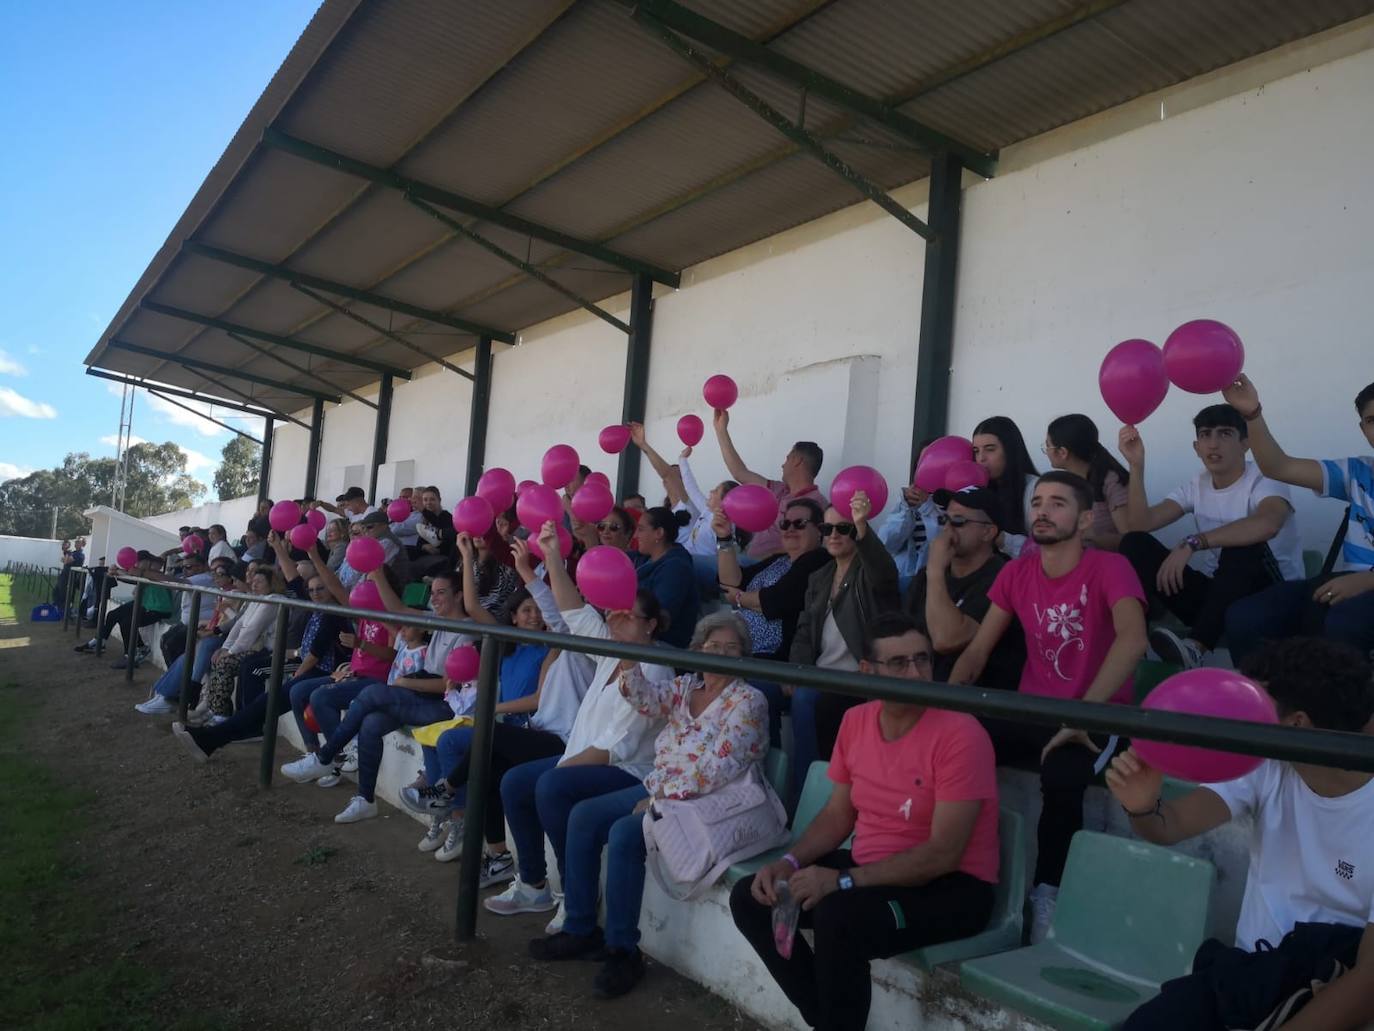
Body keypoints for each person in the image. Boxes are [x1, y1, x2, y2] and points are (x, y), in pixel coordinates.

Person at [731, 613, 1000, 1031]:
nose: (915, 673)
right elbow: (839, 814)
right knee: (751, 897)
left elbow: (944, 854)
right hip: (871, 870)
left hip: (953, 889)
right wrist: (791, 863)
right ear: (867, 671)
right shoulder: (856, 722)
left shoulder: (961, 734)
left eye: (922, 660)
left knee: (839, 918)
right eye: (898, 663)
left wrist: (842, 880)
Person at [1108, 638, 1374, 1030]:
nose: (1236, 712)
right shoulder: (1268, 765)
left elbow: (1367, 982)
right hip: (1250, 976)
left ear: (1297, 724)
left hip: (1332, 990)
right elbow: (1171, 825)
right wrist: (1143, 805)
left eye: (1252, 702)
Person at [527, 611, 769, 1000]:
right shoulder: (686, 686)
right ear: (698, 650)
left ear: (743, 656)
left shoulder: (748, 701)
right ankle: (581, 928)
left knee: (626, 832)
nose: (720, 654)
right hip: (662, 791)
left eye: (730, 648)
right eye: (712, 647)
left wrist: (656, 800)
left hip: (710, 801)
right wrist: (629, 651)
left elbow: (717, 771)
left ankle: (623, 952)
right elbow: (643, 698)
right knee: (584, 816)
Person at [950, 470, 1146, 942]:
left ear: (1082, 521)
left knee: (1063, 775)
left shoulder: (1109, 568)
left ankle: (1048, 894)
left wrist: (1084, 714)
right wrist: (947, 709)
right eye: (1037, 501)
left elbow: (1134, 639)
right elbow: (977, 651)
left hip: (1101, 713)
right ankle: (949, 864)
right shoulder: (1017, 571)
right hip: (1031, 711)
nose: (1042, 510)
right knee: (954, 746)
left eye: (1057, 503)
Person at [486, 522, 675, 921]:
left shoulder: (656, 668)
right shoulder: (609, 650)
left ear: (651, 624)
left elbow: (617, 748)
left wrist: (563, 766)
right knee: (515, 782)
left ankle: (572, 891)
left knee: (550, 786)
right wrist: (551, 555)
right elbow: (572, 610)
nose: (617, 620)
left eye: (629, 616)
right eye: (615, 613)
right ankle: (533, 885)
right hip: (584, 758)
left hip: (628, 771)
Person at [402, 536, 594, 871]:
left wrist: (541, 567)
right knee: (485, 771)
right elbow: (483, 610)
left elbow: (562, 617)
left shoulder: (576, 649)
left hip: (557, 739)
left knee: (484, 737)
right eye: (527, 610)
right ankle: (498, 856)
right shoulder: (546, 649)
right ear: (515, 617)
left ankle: (446, 793)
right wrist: (476, 558)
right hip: (535, 731)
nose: (538, 615)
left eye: (541, 609)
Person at [1119, 404, 1304, 669]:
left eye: (1225, 434)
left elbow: (1268, 523)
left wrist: (1194, 542)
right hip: (1218, 597)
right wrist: (1136, 466)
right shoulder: (1197, 484)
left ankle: (1196, 647)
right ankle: (1136, 641)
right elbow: (1139, 524)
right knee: (1134, 544)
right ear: (1196, 447)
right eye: (1205, 435)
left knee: (1242, 545)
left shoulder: (1265, 479)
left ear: (1245, 443)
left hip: (1272, 595)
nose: (1213, 444)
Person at [1221, 376, 1374, 664]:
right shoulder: (1357, 471)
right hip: (1346, 582)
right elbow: (1279, 466)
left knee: (1344, 621)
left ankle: (1343, 707)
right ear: (1363, 429)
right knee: (1246, 616)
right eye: (1371, 420)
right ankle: (1269, 702)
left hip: (1360, 587)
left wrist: (1368, 581)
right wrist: (1252, 414)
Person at [789, 492, 900, 795]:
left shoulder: (868, 571)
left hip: (860, 678)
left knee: (805, 701)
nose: (834, 535)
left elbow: (884, 574)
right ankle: (804, 793)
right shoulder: (819, 577)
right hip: (821, 675)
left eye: (844, 528)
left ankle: (811, 795)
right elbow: (803, 629)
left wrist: (862, 526)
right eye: (827, 529)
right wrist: (795, 670)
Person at [715, 498, 829, 744]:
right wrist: (724, 539)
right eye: (785, 523)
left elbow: (775, 602)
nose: (789, 529)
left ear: (819, 530)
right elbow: (730, 582)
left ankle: (762, 772)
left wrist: (738, 598)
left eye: (799, 523)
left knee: (753, 694)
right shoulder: (779, 561)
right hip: (745, 658)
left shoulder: (818, 560)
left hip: (775, 663)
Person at [903, 487, 1023, 690]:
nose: (947, 529)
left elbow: (946, 639)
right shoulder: (926, 576)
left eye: (958, 521)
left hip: (977, 704)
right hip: (919, 694)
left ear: (988, 532)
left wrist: (935, 571)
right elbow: (902, 633)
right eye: (944, 520)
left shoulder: (1001, 577)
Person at [712, 408, 828, 561]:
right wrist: (721, 430)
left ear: (797, 460)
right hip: (749, 560)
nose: (782, 465)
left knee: (697, 565)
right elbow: (740, 473)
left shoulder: (817, 503)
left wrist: (765, 559)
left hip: (768, 567)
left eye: (787, 458)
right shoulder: (778, 490)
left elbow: (810, 547)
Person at [188, 565, 286, 725]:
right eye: (253, 581)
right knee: (218, 658)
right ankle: (213, 709)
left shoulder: (273, 600)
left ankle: (222, 713)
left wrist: (231, 651)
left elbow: (252, 630)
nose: (254, 585)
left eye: (259, 582)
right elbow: (238, 626)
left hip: (267, 649)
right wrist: (225, 648)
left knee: (225, 663)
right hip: (251, 646)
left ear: (271, 584)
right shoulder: (256, 599)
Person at [1044, 413, 1131, 550]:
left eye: (1048, 446)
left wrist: (1090, 536)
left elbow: (1132, 540)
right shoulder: (1066, 484)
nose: (1046, 452)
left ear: (1062, 452)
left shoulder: (1111, 481)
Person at [74, 551, 176, 665]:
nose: (135, 565)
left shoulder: (153, 572)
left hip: (159, 608)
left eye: (137, 562)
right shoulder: (145, 570)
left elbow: (133, 576)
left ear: (146, 561)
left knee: (127, 622)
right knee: (113, 614)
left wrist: (117, 571)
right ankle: (99, 642)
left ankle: (136, 651)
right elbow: (132, 577)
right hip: (144, 603)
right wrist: (116, 571)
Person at [972, 416, 1039, 556]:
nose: (981, 458)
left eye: (990, 449)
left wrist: (1002, 539)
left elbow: (1043, 550)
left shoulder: (1035, 488)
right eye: (976, 451)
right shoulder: (975, 488)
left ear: (1010, 450)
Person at [878, 443, 941, 593]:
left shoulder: (953, 501)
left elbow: (941, 541)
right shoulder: (907, 499)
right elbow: (886, 544)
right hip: (902, 580)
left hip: (935, 584)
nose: (928, 464)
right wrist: (906, 508)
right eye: (923, 460)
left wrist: (928, 506)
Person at [632, 506, 698, 649]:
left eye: (641, 529)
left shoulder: (676, 569)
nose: (636, 535)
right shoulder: (642, 559)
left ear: (659, 533)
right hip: (637, 639)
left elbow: (661, 618)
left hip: (662, 649)